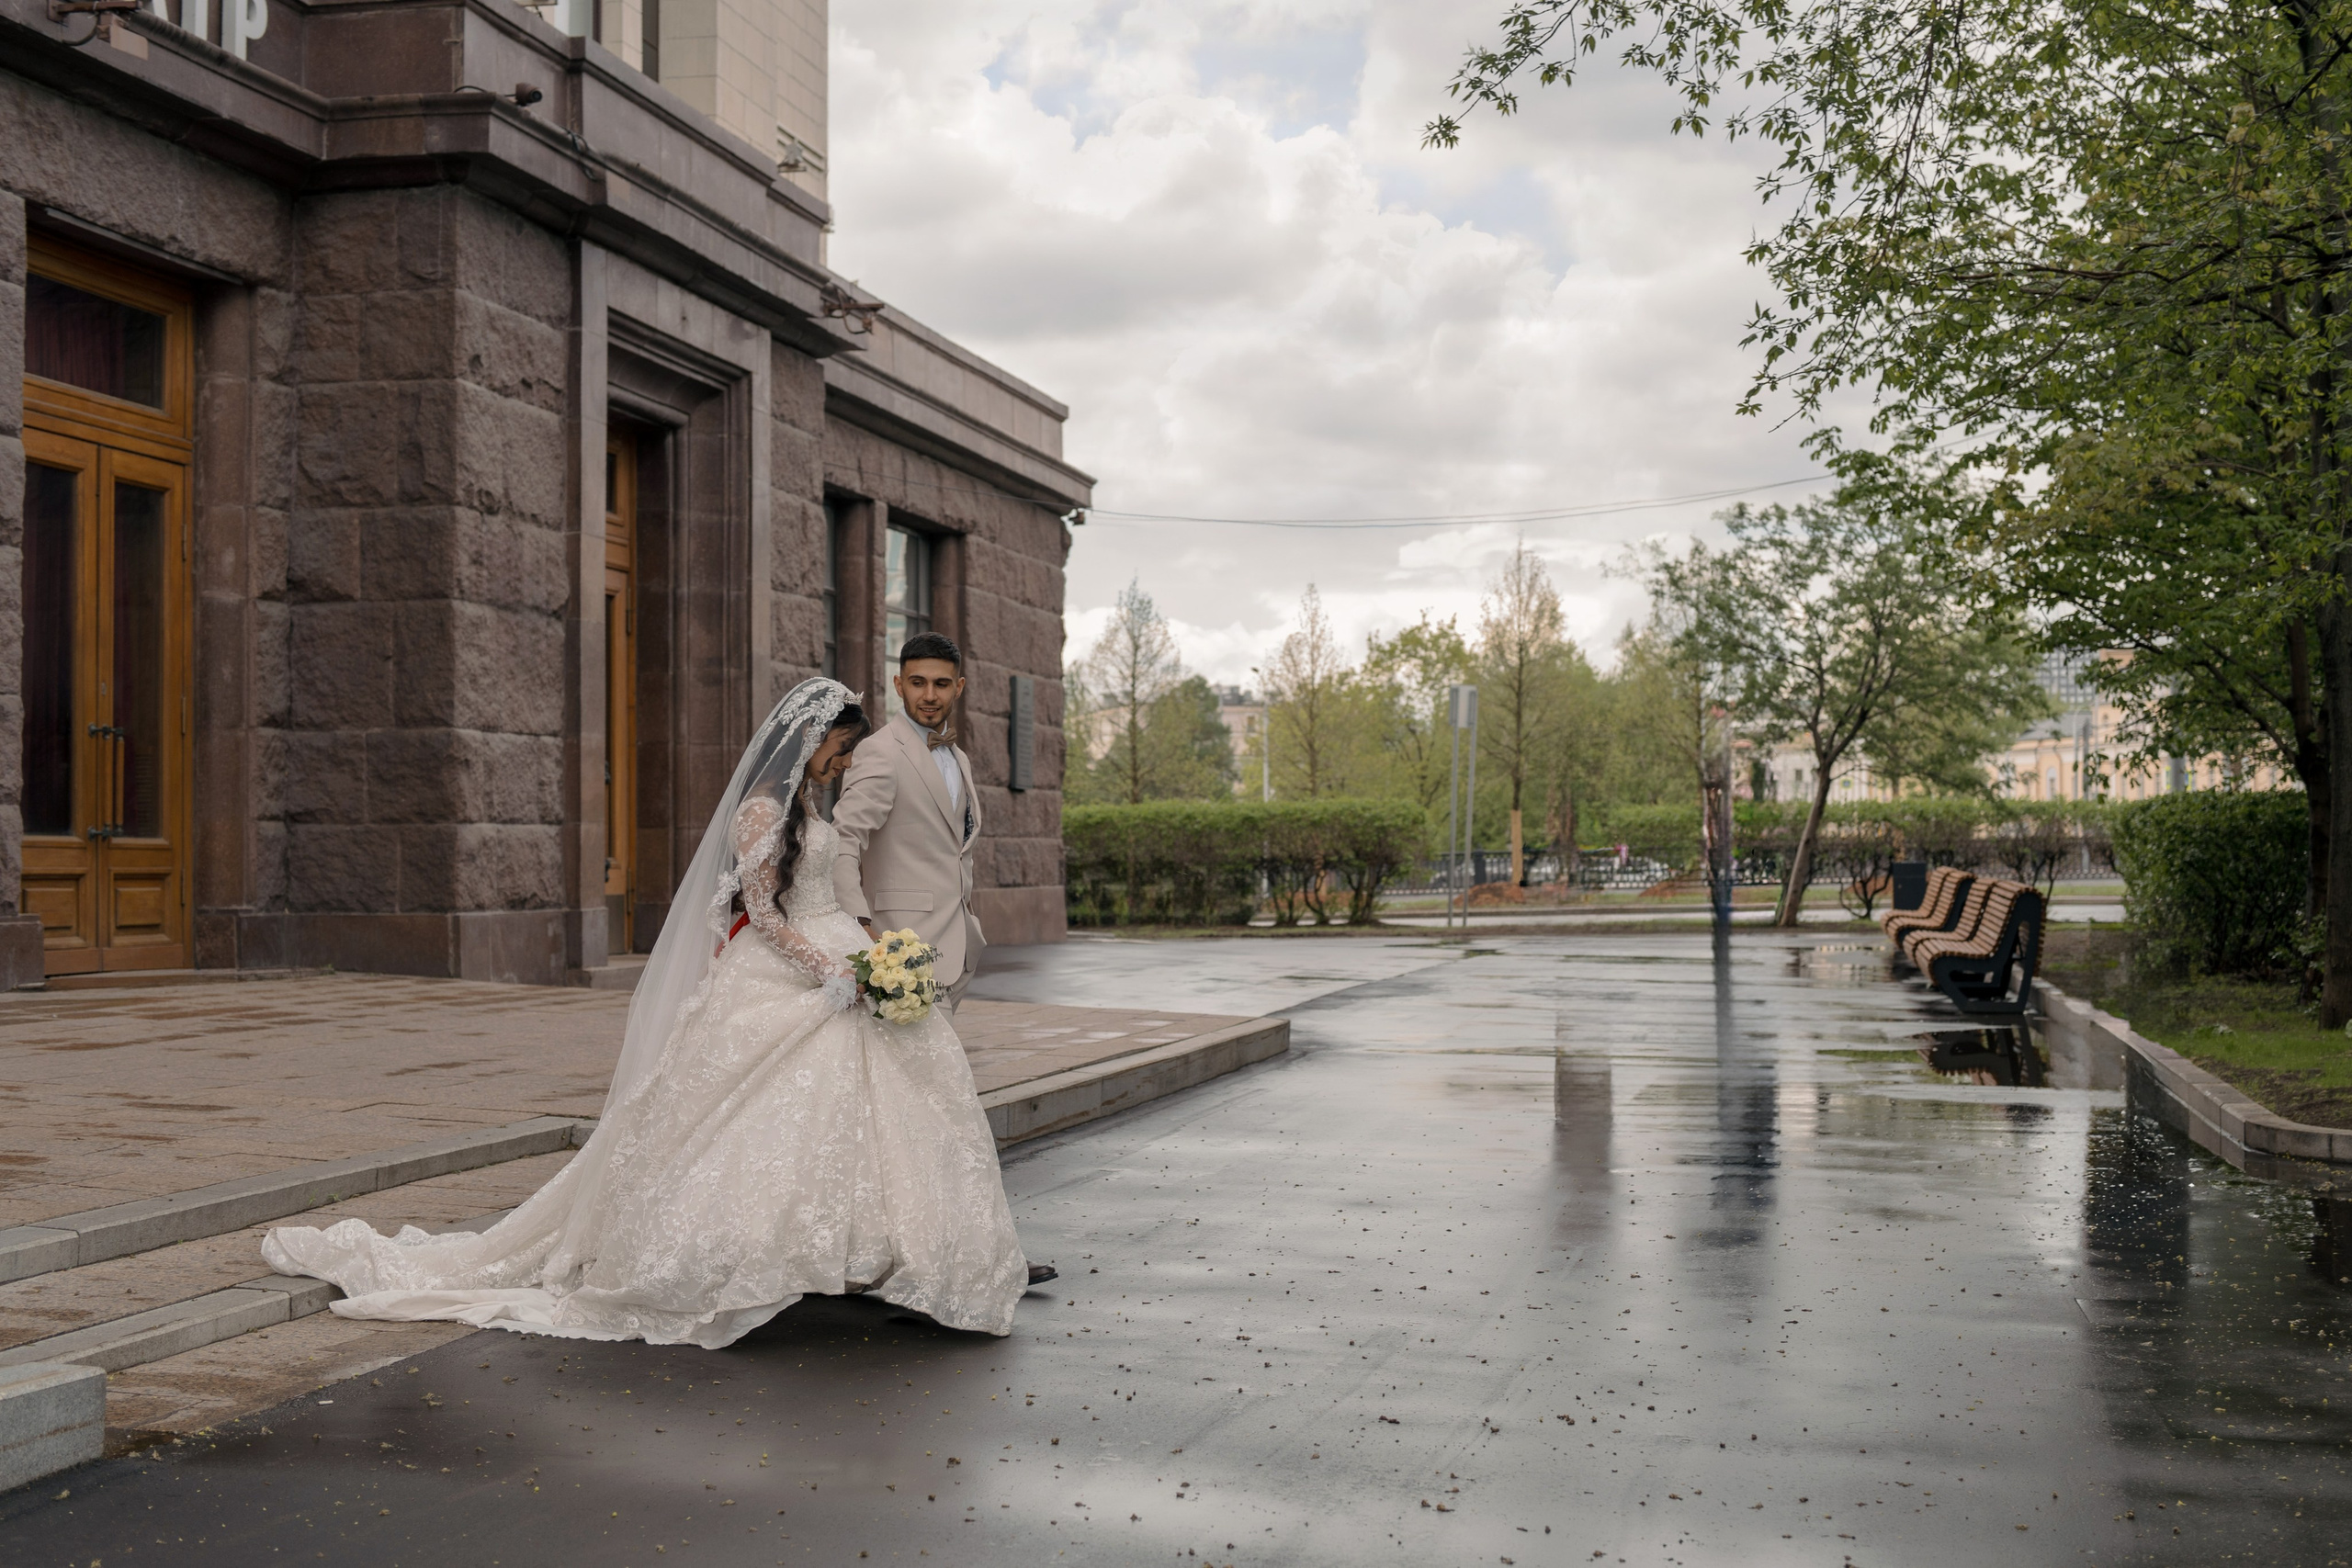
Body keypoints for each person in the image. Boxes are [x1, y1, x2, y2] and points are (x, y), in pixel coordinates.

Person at [260, 678, 1052, 1348]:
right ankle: (758, 1255)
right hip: (787, 970)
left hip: (837, 956)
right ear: (808, 738)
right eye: (838, 750)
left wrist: (866, 955)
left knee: (879, 1102)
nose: (842, 764)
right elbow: (762, 914)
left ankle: (871, 1253)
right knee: (762, 1115)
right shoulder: (762, 810)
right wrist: (829, 971)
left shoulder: (812, 804)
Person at [832, 632, 986, 1012]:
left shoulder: (959, 758)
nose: (930, 695)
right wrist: (858, 924)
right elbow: (844, 841)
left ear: (959, 687)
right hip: (899, 955)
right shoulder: (879, 752)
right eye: (918, 683)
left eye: (941, 684)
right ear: (899, 684)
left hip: (959, 950)